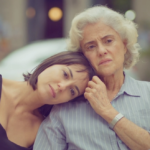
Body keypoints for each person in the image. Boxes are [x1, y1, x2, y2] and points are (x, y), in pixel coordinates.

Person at [34, 5, 150, 150]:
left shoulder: (147, 94)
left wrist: (108, 112)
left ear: (124, 45)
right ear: (82, 55)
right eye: (91, 46)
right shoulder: (63, 110)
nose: (101, 51)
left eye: (108, 41)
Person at [0, 51, 95, 150]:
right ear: (52, 63)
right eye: (65, 74)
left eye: (72, 91)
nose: (62, 86)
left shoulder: (45, 132)